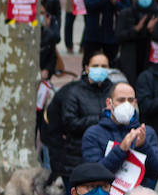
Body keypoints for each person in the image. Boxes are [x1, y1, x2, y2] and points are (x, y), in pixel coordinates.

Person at [47, 52, 114, 186]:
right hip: (76, 159)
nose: (100, 69)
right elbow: (70, 123)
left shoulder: (114, 90)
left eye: (103, 66)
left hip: (107, 159)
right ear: (87, 68)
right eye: (95, 66)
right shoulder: (73, 91)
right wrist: (101, 118)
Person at [81, 82, 158, 189]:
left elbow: (156, 171)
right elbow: (94, 174)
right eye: (121, 100)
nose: (126, 104)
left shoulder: (146, 132)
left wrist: (143, 146)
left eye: (130, 100)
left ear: (135, 103)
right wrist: (121, 150)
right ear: (109, 103)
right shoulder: (93, 134)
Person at [82, 0, 127, 64]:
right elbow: (89, 6)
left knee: (111, 63)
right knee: (88, 62)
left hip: (112, 35)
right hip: (94, 34)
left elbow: (126, 9)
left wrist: (115, 2)